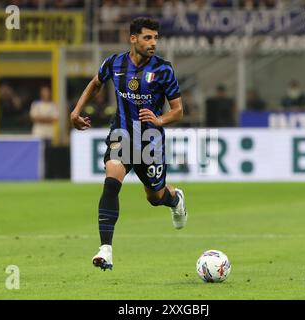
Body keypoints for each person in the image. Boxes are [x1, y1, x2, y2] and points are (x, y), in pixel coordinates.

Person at [70, 17, 188, 271]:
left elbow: (178, 110)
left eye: (156, 38)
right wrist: (75, 111)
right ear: (133, 38)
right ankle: (106, 250)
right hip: (121, 134)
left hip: (150, 141)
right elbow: (95, 83)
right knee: (112, 180)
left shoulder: (164, 70)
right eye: (148, 37)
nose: (153, 43)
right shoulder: (114, 63)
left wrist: (159, 119)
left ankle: (175, 198)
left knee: (155, 197)